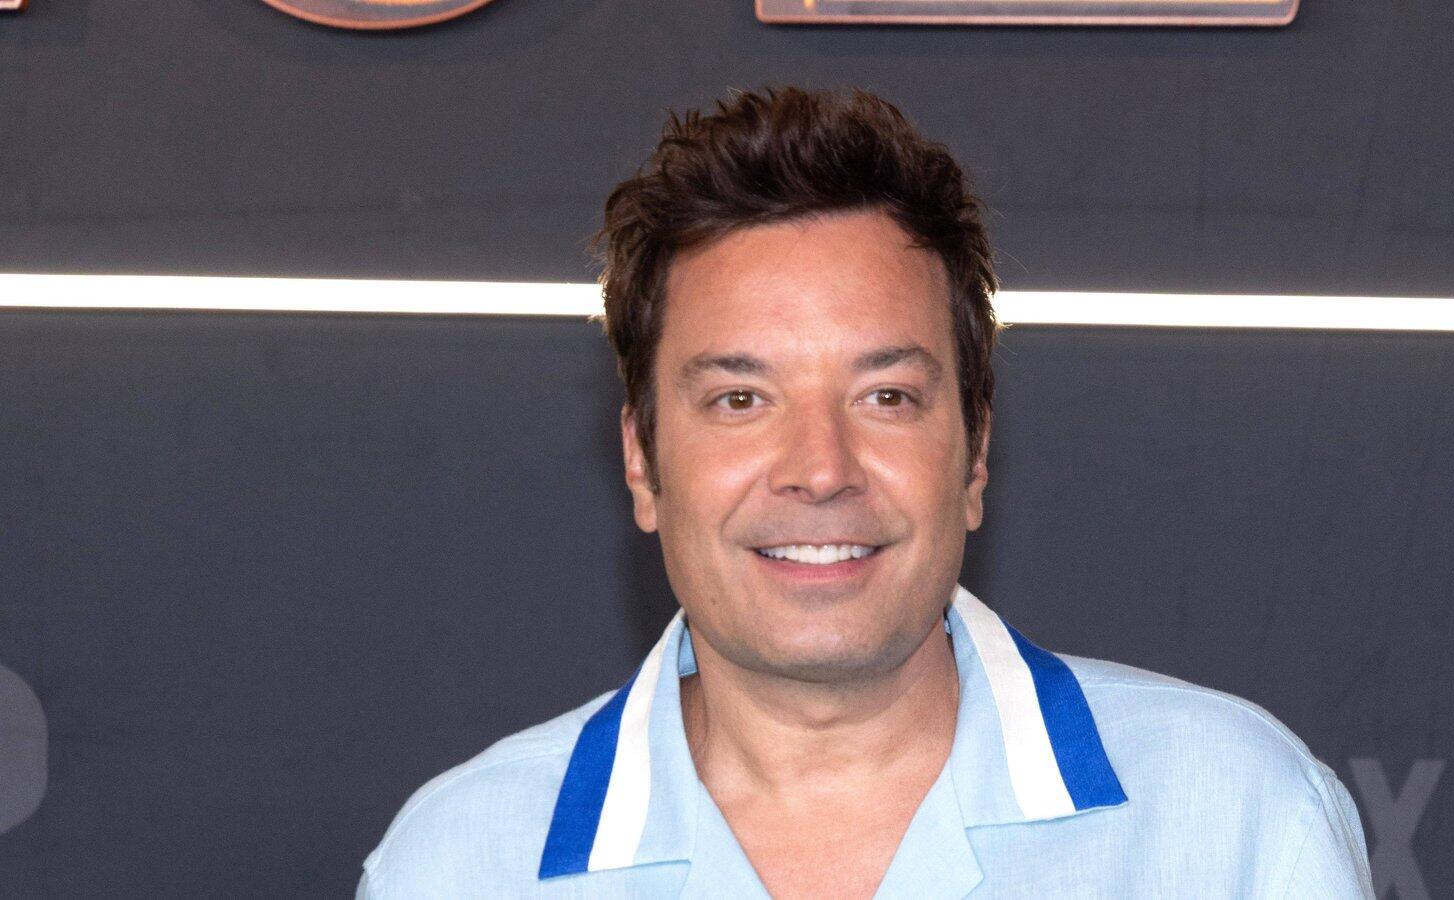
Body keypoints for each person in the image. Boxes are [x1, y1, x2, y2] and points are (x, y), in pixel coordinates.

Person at [357, 86, 1375, 899]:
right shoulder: (459, 864)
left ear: (974, 453)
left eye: (886, 396)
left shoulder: (1235, 820)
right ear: (641, 460)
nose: (821, 467)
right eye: (740, 399)